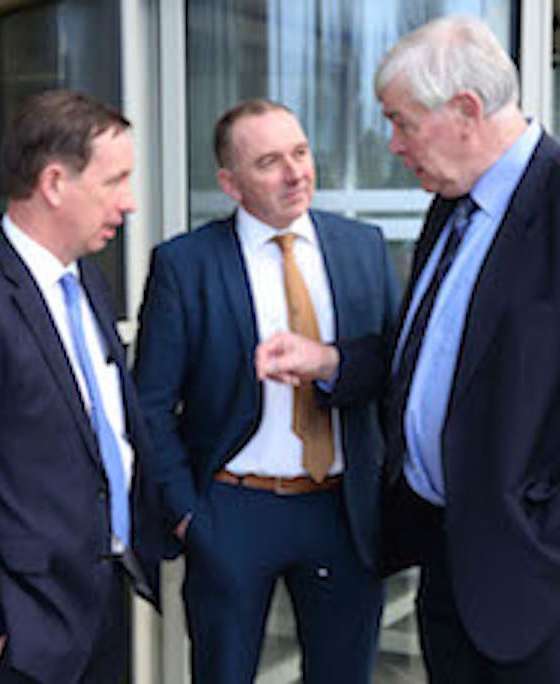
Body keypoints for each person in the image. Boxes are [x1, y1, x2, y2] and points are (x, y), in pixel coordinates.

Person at [255, 16, 560, 684]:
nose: (395, 144)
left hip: (542, 587)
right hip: (450, 566)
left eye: (403, 122)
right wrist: (333, 364)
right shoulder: (453, 206)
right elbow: (439, 358)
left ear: (465, 110)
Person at [0, 89, 165, 684]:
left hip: (100, 596)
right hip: (23, 631)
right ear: (53, 182)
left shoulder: (87, 283)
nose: (129, 201)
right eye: (115, 180)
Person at [133, 98, 398, 683]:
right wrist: (187, 516)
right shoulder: (185, 264)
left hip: (342, 510)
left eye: (300, 153)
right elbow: (150, 404)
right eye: (270, 162)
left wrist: (330, 361)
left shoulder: (364, 247)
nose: (295, 172)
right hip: (232, 510)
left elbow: (395, 367)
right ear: (231, 183)